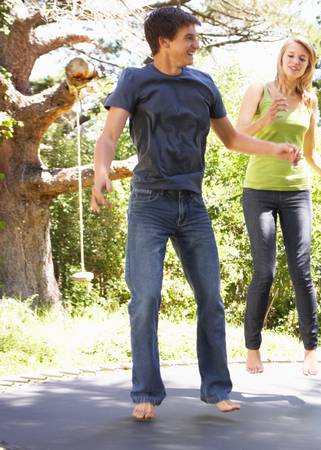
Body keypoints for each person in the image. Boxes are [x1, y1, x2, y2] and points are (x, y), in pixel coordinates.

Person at [90, 7, 300, 421]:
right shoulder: (135, 79)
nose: (196, 44)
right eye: (189, 37)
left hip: (192, 205)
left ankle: (216, 388)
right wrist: (100, 170)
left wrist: (273, 148)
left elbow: (232, 139)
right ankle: (146, 392)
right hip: (149, 202)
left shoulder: (203, 83)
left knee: (211, 299)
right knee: (146, 298)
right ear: (164, 41)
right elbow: (110, 135)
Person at [236, 36, 321, 376]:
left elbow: (311, 154)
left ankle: (310, 349)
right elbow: (237, 136)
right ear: (282, 58)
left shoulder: (309, 100)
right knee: (264, 272)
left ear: (309, 66)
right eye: (291, 56)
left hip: (297, 193)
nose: (296, 62)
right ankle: (252, 348)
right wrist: (266, 119)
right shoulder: (259, 91)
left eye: (303, 59)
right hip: (259, 190)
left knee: (302, 271)